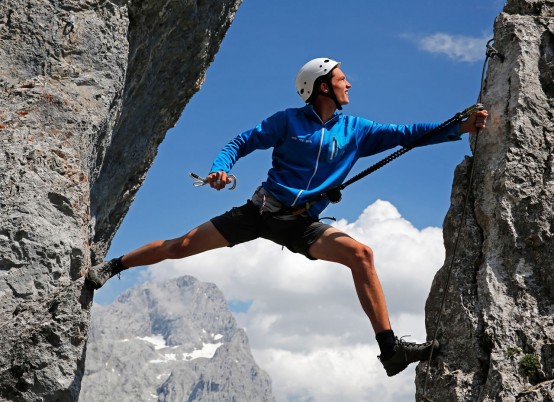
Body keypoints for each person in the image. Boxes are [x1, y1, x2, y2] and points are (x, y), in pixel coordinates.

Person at [87, 58, 488, 376]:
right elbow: (241, 142)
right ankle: (113, 265)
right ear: (322, 86)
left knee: (361, 255)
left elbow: (409, 133)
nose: (349, 85)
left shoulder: (357, 130)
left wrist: (460, 126)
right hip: (261, 212)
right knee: (182, 246)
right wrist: (220, 167)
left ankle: (390, 352)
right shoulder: (287, 121)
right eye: (343, 79)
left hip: (301, 224)